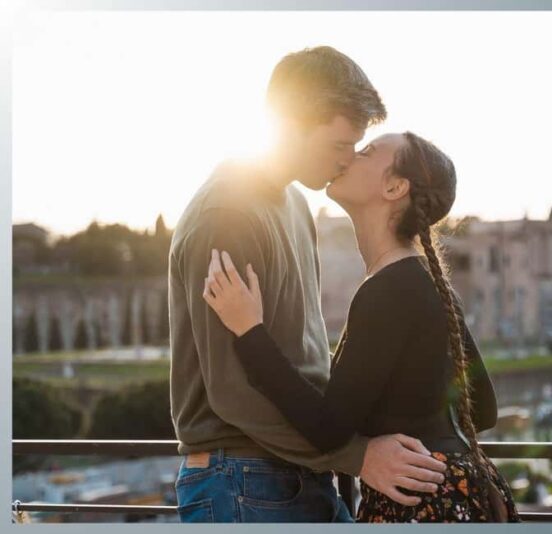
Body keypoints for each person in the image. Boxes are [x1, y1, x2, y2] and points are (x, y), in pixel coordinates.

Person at [169, 46, 447, 523]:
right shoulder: (228, 216)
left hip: (296, 470)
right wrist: (358, 457)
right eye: (341, 145)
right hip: (242, 478)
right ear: (292, 123)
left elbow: (303, 358)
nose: (346, 161)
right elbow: (232, 392)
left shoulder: (295, 205)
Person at [202, 131, 520, 522]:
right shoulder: (427, 283)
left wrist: (249, 330)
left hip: (420, 503)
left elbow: (327, 427)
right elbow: (482, 408)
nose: (350, 155)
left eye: (367, 151)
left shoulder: (388, 290)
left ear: (394, 186)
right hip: (460, 493)